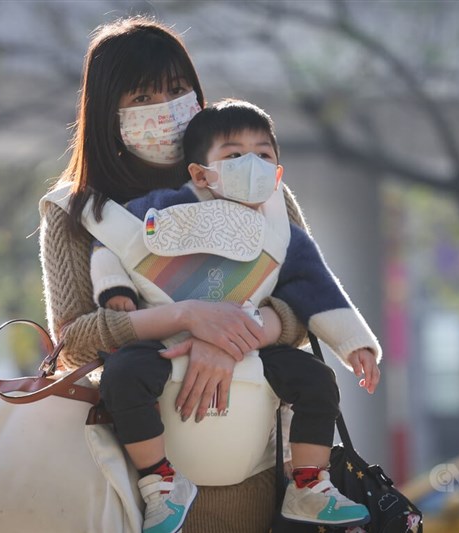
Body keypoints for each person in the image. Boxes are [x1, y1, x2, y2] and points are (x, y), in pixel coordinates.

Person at [38, 16, 312, 533]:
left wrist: (232, 334)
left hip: (258, 477)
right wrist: (186, 317)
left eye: (177, 88)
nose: (164, 107)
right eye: (141, 96)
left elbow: (307, 308)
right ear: (106, 112)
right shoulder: (76, 211)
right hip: (136, 491)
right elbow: (71, 342)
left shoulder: (256, 183)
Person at [90, 99, 382, 530]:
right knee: (122, 376)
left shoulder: (283, 233)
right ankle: (160, 482)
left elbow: (317, 287)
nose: (252, 165)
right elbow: (111, 242)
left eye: (264, 155)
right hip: (164, 346)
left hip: (251, 351)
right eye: (234, 155)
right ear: (200, 173)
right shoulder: (160, 208)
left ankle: (306, 483)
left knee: (317, 380)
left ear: (278, 172)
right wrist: (114, 290)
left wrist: (355, 343)